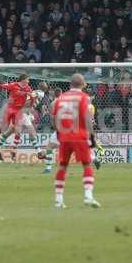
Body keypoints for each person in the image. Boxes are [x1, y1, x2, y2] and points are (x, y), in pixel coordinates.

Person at [52, 73, 100, 209]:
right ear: (83, 85)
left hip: (64, 137)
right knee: (86, 164)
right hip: (79, 136)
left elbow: (54, 118)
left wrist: (58, 133)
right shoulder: (83, 97)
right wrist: (92, 136)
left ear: (70, 84)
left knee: (62, 166)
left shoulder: (61, 98)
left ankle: (58, 200)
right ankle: (88, 196)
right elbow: (86, 117)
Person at [0, 74, 32, 160]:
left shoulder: (28, 88)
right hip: (10, 109)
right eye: (27, 80)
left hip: (18, 111)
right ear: (23, 79)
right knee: (1, 128)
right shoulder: (13, 85)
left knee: (18, 131)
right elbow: (0, 86)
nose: (28, 81)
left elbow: (31, 99)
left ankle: (13, 150)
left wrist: (32, 101)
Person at [0, 82, 48, 160]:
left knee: (10, 131)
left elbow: (28, 98)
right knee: (32, 132)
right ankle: (39, 152)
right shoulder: (40, 93)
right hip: (23, 112)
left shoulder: (34, 91)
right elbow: (29, 99)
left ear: (38, 86)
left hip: (22, 112)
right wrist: (25, 107)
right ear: (45, 89)